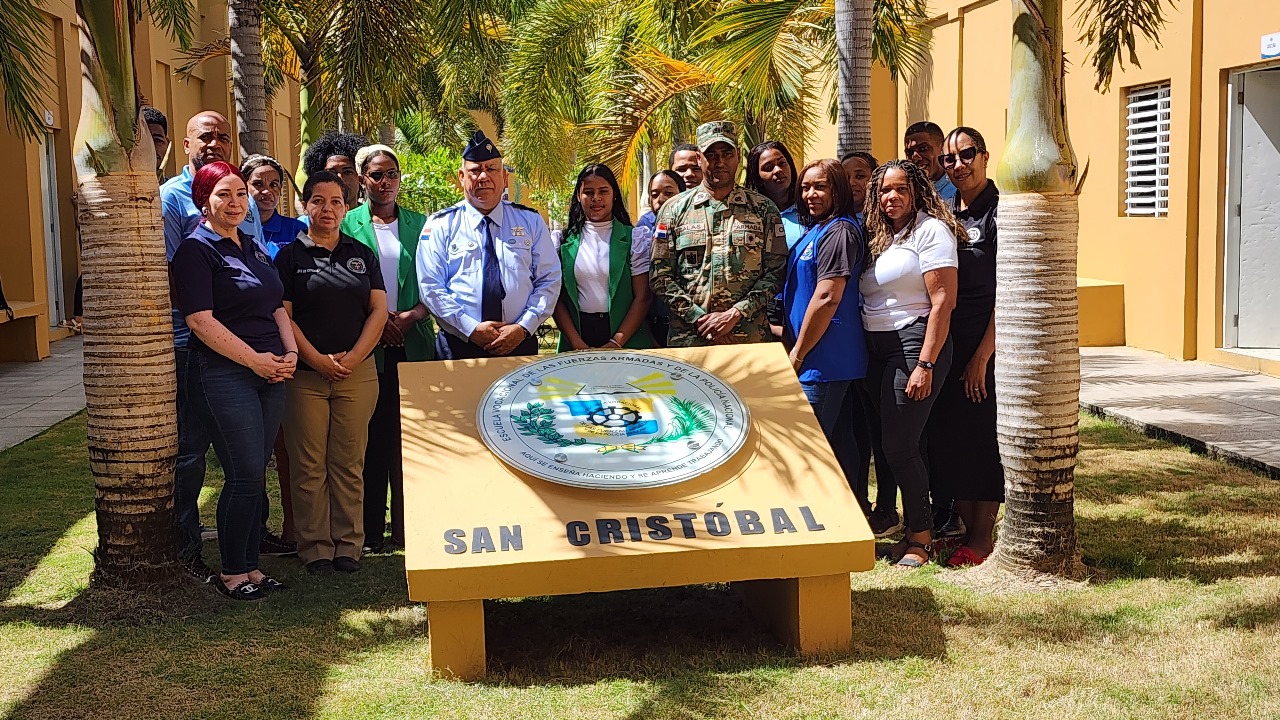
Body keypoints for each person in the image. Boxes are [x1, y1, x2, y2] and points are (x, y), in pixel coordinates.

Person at [161, 113, 290, 584]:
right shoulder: (196, 250)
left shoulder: (250, 245)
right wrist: (255, 360)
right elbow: (199, 319)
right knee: (240, 470)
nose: (236, 202)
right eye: (224, 195)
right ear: (203, 201)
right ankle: (232, 570)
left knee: (255, 472)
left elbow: (276, 303)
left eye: (241, 194)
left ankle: (252, 565)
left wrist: (288, 353)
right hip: (224, 372)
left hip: (270, 370)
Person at [276, 171, 386, 575]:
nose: (327, 209)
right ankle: (316, 547)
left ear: (346, 207)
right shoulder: (289, 258)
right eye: (318, 201)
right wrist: (317, 359)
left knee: (348, 460)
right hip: (306, 375)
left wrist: (355, 357)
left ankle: (348, 544)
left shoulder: (361, 254)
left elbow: (377, 310)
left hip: (357, 373)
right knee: (308, 463)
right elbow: (283, 318)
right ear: (305, 205)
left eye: (336, 201)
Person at [860, 159, 962, 568]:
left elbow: (943, 301)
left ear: (917, 191)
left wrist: (925, 364)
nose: (892, 197)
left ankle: (921, 537)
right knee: (901, 445)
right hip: (877, 347)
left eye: (901, 189)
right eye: (885, 190)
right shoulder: (880, 236)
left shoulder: (931, 230)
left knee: (898, 447)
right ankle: (912, 530)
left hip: (915, 342)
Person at [341, 144, 435, 554]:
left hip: (414, 341)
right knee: (372, 437)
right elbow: (343, 285)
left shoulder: (422, 225)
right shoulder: (348, 224)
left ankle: (409, 525)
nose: (385, 182)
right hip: (368, 345)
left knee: (411, 437)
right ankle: (371, 531)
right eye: (376, 175)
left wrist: (411, 316)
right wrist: (379, 326)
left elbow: (439, 281)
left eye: (391, 174)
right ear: (363, 180)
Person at [926, 127, 1004, 567]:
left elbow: (1006, 294)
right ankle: (958, 527)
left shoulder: (999, 211)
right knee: (950, 435)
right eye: (950, 159)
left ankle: (981, 536)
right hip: (947, 342)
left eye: (967, 154)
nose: (958, 165)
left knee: (979, 438)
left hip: (983, 343)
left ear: (985, 156)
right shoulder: (946, 212)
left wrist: (981, 356)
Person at [417, 130, 561, 359]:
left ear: (504, 177)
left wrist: (524, 327)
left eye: (491, 169)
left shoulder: (530, 221)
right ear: (462, 177)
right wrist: (470, 329)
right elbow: (431, 287)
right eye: (475, 171)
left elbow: (549, 280)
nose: (483, 177)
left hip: (518, 343)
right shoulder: (440, 225)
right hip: (458, 346)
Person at [649, 121, 787, 347]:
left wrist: (735, 314)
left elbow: (776, 272)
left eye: (727, 153)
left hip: (747, 337)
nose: (719, 162)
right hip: (691, 338)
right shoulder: (674, 209)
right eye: (711, 154)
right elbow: (659, 275)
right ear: (699, 159)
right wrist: (700, 319)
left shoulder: (764, 210)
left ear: (738, 156)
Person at [782, 159, 867, 496]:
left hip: (825, 360)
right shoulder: (817, 229)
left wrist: (799, 354)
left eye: (820, 186)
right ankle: (854, 511)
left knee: (810, 446)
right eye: (805, 188)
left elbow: (828, 295)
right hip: (815, 357)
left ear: (838, 190)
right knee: (841, 441)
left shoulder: (840, 231)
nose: (811, 194)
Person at [838, 150, 900, 536]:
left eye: (862, 175)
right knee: (856, 430)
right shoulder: (839, 224)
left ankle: (887, 507)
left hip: (884, 340)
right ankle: (856, 502)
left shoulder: (889, 227)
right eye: (847, 177)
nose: (855, 183)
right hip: (849, 342)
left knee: (883, 430)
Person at [552, 164, 654, 351]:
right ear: (578, 196)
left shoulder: (634, 238)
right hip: (577, 340)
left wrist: (616, 342)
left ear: (614, 194)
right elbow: (556, 298)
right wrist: (576, 343)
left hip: (626, 340)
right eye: (588, 192)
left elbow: (643, 297)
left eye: (603, 191)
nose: (596, 198)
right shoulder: (562, 241)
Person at [634, 170, 686, 347]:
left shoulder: (697, 225)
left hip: (688, 324)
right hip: (652, 323)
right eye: (654, 194)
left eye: (669, 193)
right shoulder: (643, 227)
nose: (661, 199)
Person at [243, 155, 306, 259]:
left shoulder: (297, 230)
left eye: (274, 185)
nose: (267, 191)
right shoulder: (232, 229)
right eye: (258, 184)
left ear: (281, 190)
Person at [745, 141, 802, 248]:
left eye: (782, 163)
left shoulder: (808, 209)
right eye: (768, 168)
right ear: (757, 178)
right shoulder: (748, 215)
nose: (778, 170)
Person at [302, 132, 368, 217]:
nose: (340, 178)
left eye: (347, 172)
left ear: (360, 178)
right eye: (331, 172)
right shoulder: (304, 225)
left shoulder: (374, 221)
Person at [904, 122, 957, 202]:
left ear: (943, 149)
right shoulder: (905, 193)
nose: (915, 158)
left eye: (923, 149)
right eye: (909, 153)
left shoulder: (958, 191)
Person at [143, 106, 171, 180]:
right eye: (144, 140)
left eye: (157, 140)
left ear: (167, 144)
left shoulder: (174, 190)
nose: (151, 147)